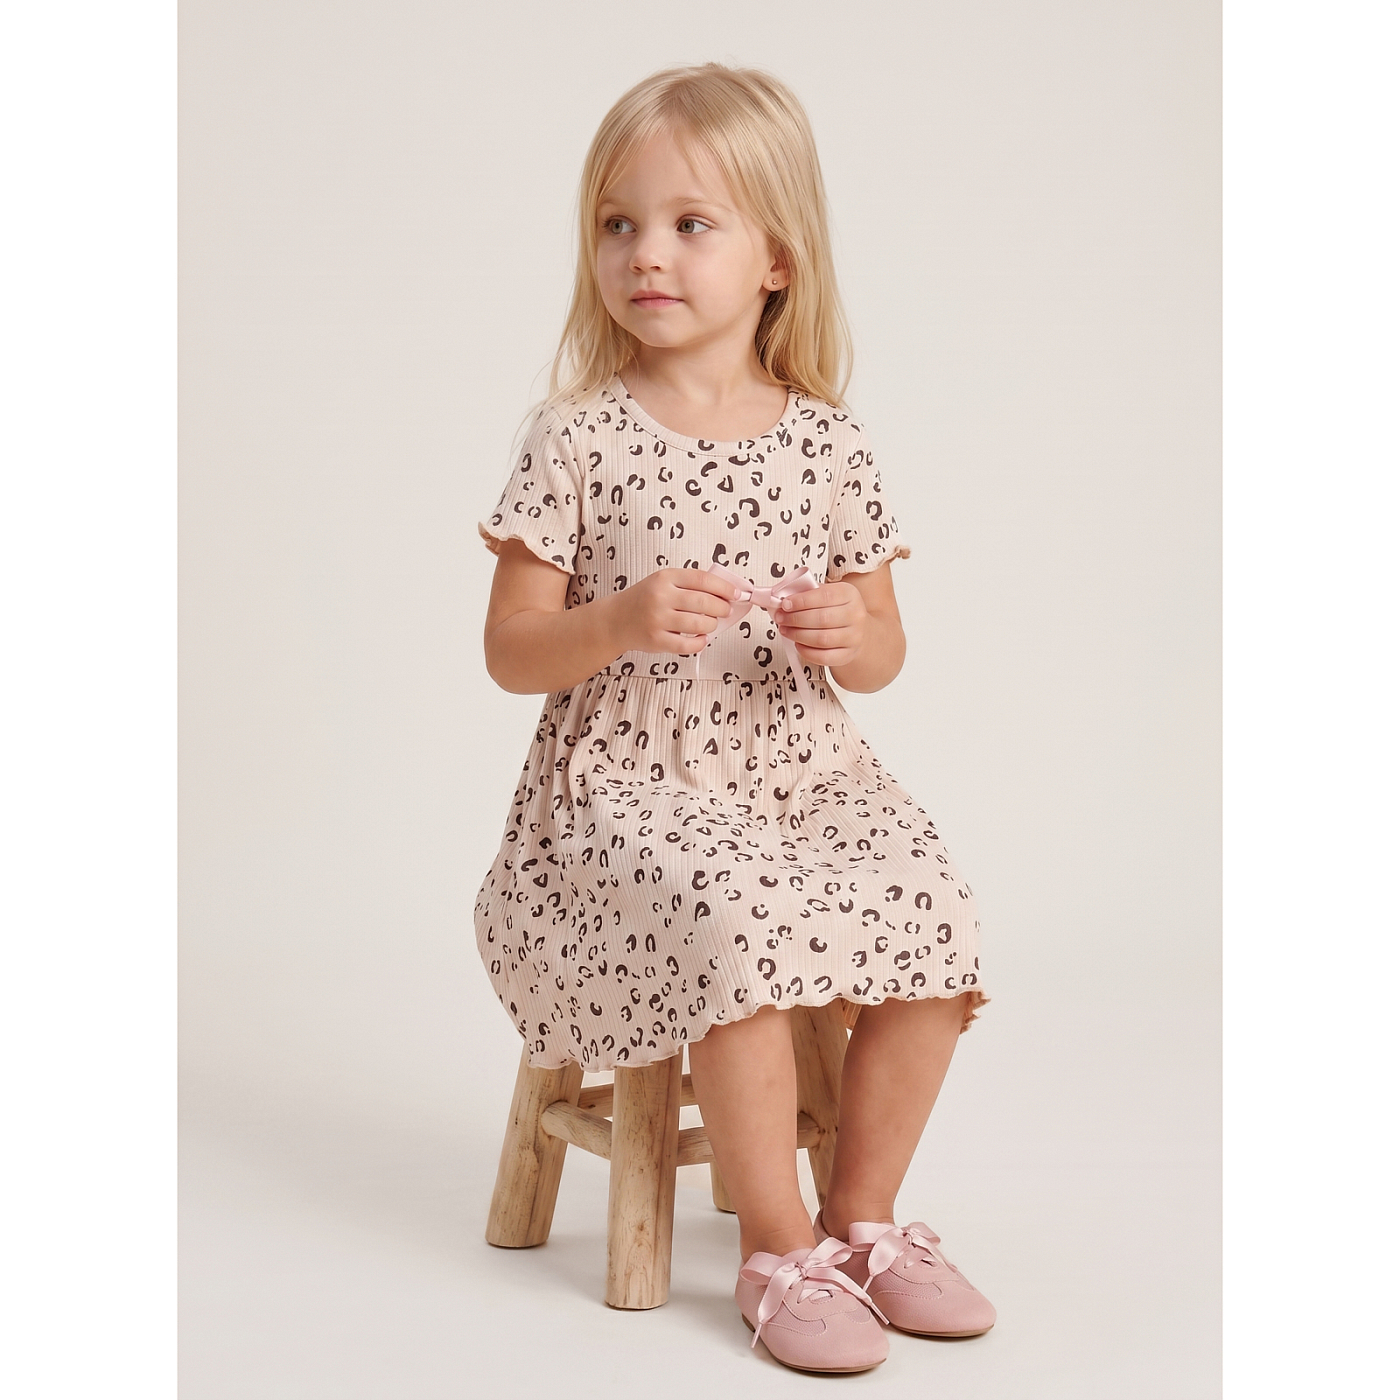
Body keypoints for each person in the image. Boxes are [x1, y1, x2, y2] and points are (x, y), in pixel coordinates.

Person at [474, 62, 993, 1374]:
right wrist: (616, 621)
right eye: (618, 223)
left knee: (934, 912)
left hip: (800, 774)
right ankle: (776, 1246)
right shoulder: (576, 436)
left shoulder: (828, 443)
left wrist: (852, 635)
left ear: (777, 259)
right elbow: (510, 650)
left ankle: (861, 1218)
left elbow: (884, 650)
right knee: (742, 921)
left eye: (689, 223)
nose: (645, 253)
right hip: (625, 790)